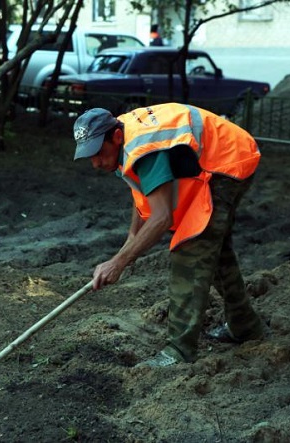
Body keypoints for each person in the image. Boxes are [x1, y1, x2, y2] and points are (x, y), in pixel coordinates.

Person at [72, 105, 266, 368]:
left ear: (116, 137)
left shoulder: (144, 148)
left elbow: (162, 217)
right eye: (89, 156)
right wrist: (132, 237)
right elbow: (144, 189)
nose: (95, 163)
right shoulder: (125, 139)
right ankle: (246, 326)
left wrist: (118, 262)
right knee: (214, 250)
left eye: (98, 153)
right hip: (219, 153)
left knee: (192, 248)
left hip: (229, 160)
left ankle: (179, 351)